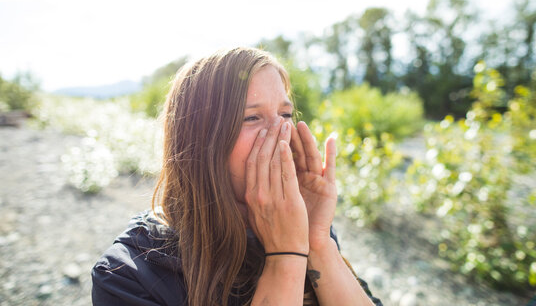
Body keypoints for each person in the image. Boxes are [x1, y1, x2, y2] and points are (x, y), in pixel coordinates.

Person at [91, 47, 382, 306]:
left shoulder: (300, 226)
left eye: (284, 114)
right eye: (252, 117)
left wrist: (317, 242)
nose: (281, 134)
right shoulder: (127, 276)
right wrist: (285, 256)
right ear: (199, 141)